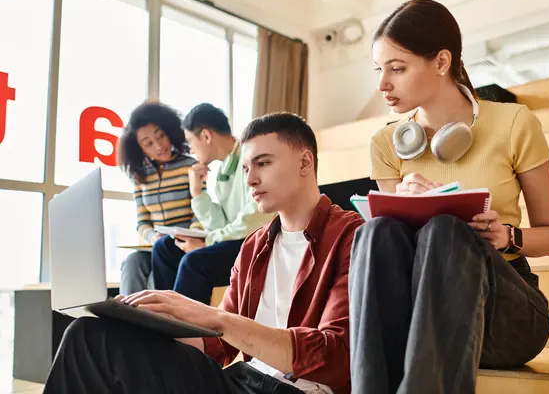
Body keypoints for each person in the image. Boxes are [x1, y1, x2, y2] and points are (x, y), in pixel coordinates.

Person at [43, 112, 363, 394]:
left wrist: (214, 318)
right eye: (247, 167)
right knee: (90, 335)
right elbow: (217, 345)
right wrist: (143, 328)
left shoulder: (352, 236)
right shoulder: (254, 246)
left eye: (263, 163)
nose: (250, 179)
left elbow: (334, 358)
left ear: (305, 162)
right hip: (242, 381)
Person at [349, 0, 549, 394]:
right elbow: (394, 254)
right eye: (380, 70)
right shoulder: (385, 143)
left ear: (441, 61)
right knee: (375, 231)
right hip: (422, 313)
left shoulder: (515, 123)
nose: (382, 84)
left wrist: (508, 236)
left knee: (446, 230)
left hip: (507, 313)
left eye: (397, 68)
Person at [152, 103, 275, 304]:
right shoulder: (221, 170)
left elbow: (252, 221)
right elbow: (219, 224)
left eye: (190, 141)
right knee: (164, 247)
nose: (190, 150)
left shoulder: (252, 158)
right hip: (235, 239)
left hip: (257, 241)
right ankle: (163, 318)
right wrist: (197, 193)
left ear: (206, 136)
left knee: (194, 262)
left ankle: (185, 333)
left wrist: (207, 242)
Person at [117, 101, 204, 295]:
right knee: (132, 263)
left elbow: (200, 212)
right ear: (139, 148)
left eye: (161, 136)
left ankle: (157, 322)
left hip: (183, 244)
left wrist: (191, 237)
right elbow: (142, 222)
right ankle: (125, 321)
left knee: (153, 278)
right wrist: (153, 237)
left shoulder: (190, 166)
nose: (159, 146)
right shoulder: (139, 176)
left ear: (169, 132)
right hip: (156, 244)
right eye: (148, 143)